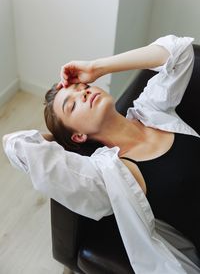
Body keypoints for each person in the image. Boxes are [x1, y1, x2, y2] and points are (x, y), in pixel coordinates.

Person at [2, 35, 200, 274]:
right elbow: (16, 143)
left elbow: (179, 52)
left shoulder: (151, 109)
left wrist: (96, 66)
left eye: (83, 88)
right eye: (72, 105)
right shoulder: (112, 174)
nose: (83, 94)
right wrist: (61, 138)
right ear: (79, 136)